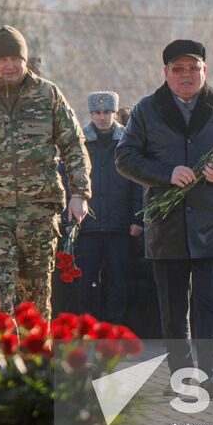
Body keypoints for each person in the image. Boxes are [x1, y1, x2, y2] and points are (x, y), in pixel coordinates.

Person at [116, 40, 213, 390]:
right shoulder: (147, 110)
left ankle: (211, 374)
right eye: (178, 69)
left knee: (209, 300)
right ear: (166, 73)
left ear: (204, 71)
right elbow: (125, 158)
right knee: (173, 308)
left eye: (193, 68)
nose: (186, 75)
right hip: (165, 224)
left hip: (212, 222)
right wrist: (165, 173)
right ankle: (182, 375)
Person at [0, 26, 90, 320]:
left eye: (16, 58)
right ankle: (6, 364)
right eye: (2, 59)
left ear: (24, 59)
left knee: (37, 299)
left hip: (39, 211)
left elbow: (73, 144)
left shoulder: (48, 94)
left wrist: (80, 193)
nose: (10, 65)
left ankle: (36, 365)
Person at [76, 91, 143, 324]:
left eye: (107, 112)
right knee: (87, 283)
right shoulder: (80, 141)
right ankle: (89, 329)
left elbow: (137, 183)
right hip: (88, 226)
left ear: (115, 113)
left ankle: (114, 328)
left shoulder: (128, 141)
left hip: (119, 225)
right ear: (91, 114)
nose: (102, 117)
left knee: (118, 281)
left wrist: (137, 219)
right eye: (97, 112)